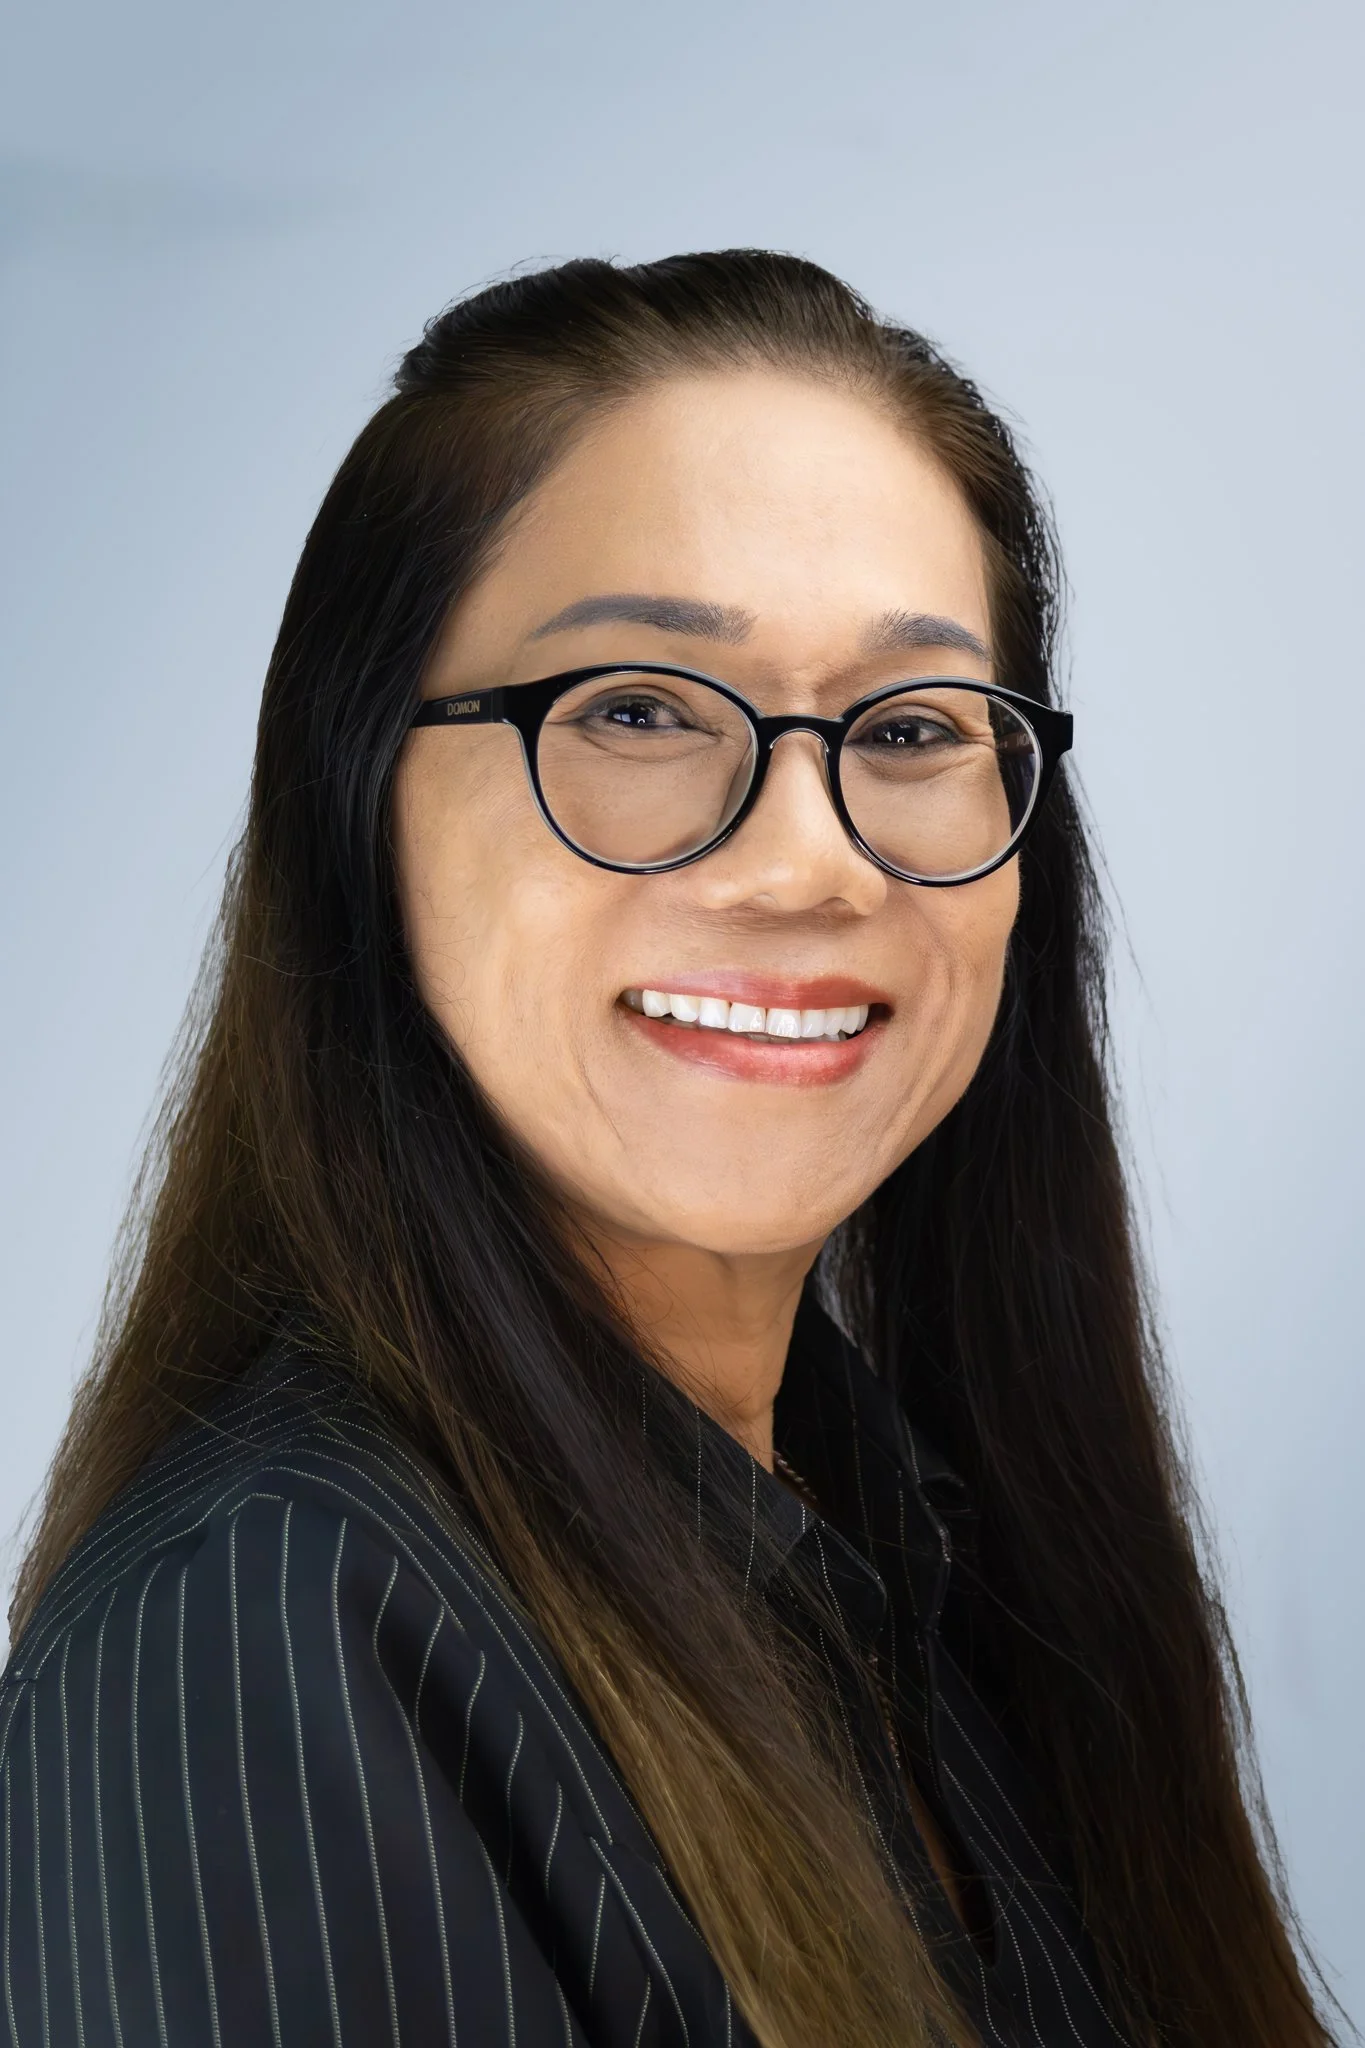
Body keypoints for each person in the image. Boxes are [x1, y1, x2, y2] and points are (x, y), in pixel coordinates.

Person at [0, 252, 1336, 2048]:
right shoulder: (257, 1640)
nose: (811, 862)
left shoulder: (929, 1559)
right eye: (636, 708)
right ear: (355, 792)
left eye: (915, 726)